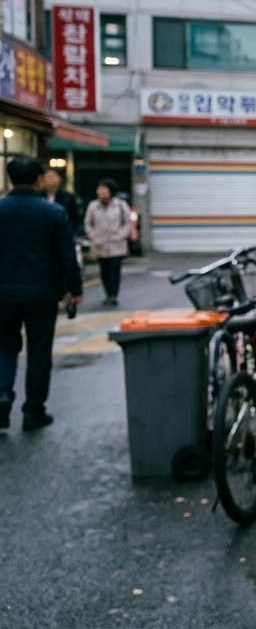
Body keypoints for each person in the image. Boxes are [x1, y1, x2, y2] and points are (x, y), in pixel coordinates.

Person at [0, 156, 84, 431]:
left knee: (4, 347)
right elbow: (67, 256)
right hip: (42, 293)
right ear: (38, 180)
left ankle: (2, 394)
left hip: (3, 293)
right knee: (39, 351)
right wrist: (74, 289)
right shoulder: (52, 213)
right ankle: (33, 410)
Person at [84, 178, 135, 307]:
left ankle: (113, 295)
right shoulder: (93, 205)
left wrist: (121, 235)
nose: (101, 192)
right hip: (100, 244)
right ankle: (108, 294)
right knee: (104, 271)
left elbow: (127, 222)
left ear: (111, 191)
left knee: (114, 270)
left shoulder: (120, 205)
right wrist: (93, 236)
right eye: (99, 189)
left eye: (104, 190)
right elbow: (88, 223)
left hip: (117, 244)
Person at [40, 166, 84, 236]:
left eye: (53, 176)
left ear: (60, 179)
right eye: (48, 177)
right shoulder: (38, 196)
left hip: (63, 234)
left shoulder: (68, 197)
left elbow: (75, 219)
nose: (51, 179)